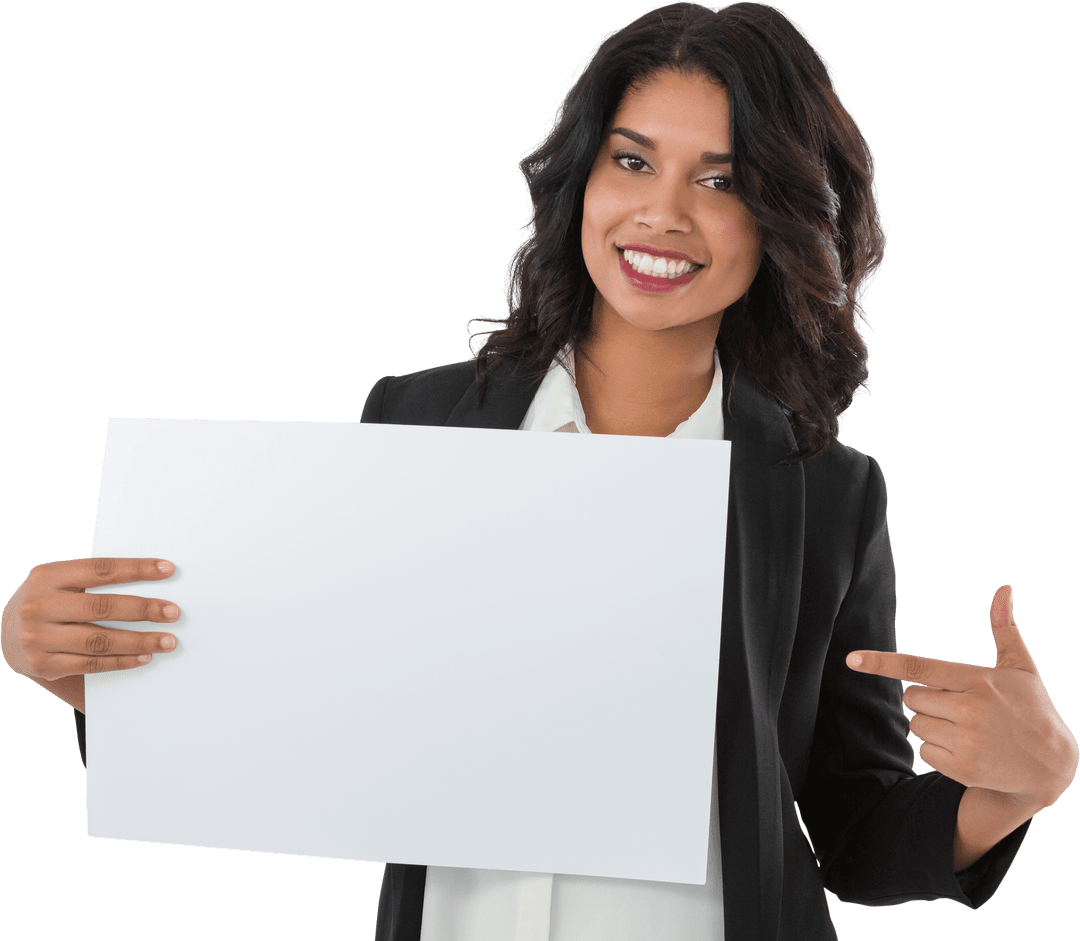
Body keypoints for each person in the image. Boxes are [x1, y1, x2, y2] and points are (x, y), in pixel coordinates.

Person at [2, 3, 1076, 940]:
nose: (664, 213)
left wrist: (1013, 787)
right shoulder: (417, 422)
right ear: (581, 178)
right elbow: (313, 719)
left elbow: (848, 826)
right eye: (633, 159)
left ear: (781, 219)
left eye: (723, 180)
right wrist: (99, 680)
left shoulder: (826, 492)